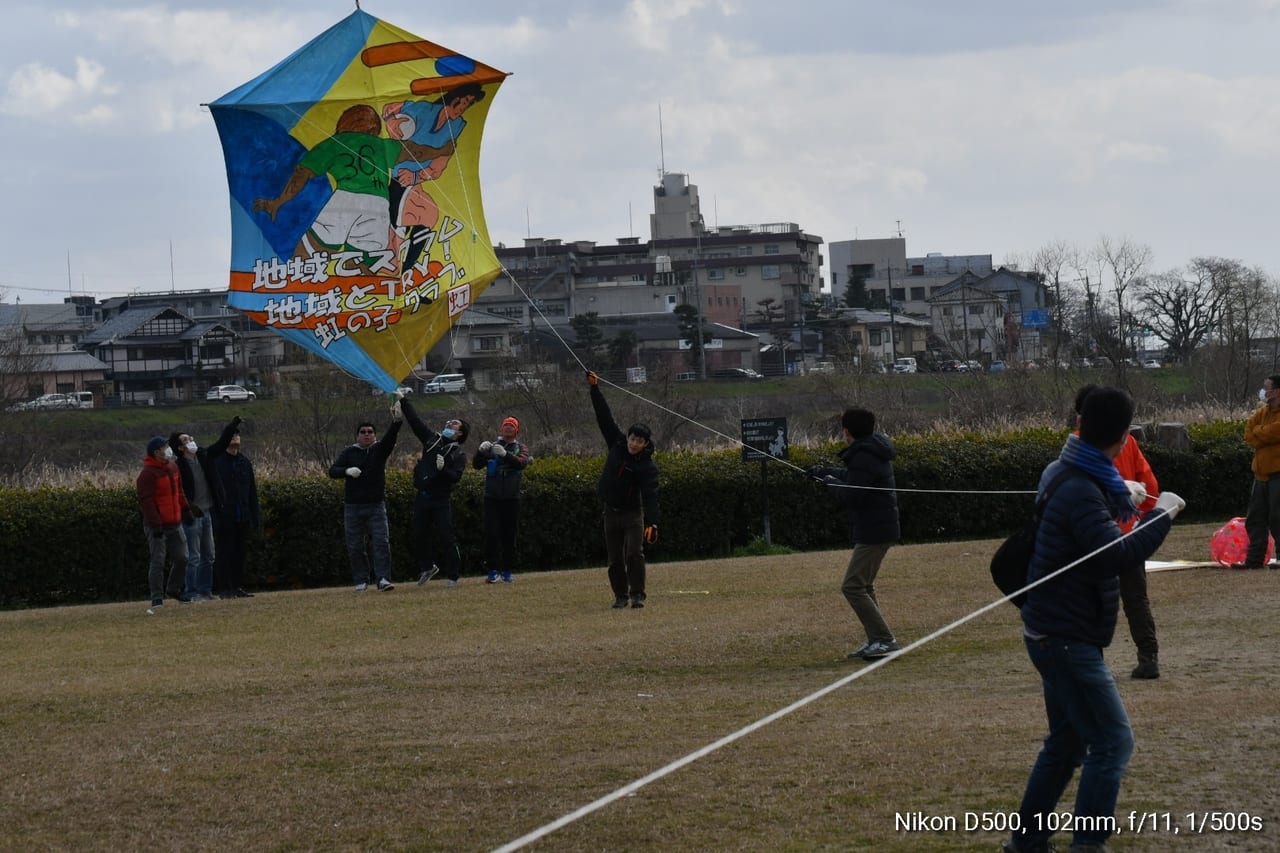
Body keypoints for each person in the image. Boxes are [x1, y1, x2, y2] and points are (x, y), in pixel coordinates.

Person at [1005, 386, 1185, 853]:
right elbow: (1115, 555)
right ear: (1125, 436)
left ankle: (1025, 844)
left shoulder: (1069, 470)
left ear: (1080, 426)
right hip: (1064, 636)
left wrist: (1119, 490)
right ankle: (1087, 846)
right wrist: (1161, 514)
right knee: (1112, 742)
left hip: (1054, 627)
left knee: (1066, 744)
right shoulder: (1083, 485)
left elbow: (1092, 528)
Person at [1073, 385, 1162, 679]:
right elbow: (1150, 488)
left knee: (1089, 601)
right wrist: (1136, 514)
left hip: (1094, 538)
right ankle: (1148, 656)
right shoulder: (1129, 443)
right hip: (1129, 534)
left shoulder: (1075, 448)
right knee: (1136, 599)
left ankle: (1091, 661)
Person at [808, 408, 901, 660]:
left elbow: (852, 495)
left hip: (875, 529)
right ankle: (876, 639)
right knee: (864, 585)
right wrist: (823, 473)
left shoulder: (864, 455)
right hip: (878, 527)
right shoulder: (870, 450)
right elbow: (853, 479)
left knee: (852, 586)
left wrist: (830, 484)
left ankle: (884, 640)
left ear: (847, 431)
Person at [587, 372, 660, 609]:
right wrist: (595, 389)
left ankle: (637, 593)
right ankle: (621, 595)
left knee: (634, 554)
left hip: (632, 514)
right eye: (632, 438)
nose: (633, 443)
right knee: (614, 559)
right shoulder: (617, 444)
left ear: (645, 444)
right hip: (611, 512)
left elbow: (651, 495)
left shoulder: (647, 466)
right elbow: (604, 417)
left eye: (639, 441)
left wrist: (653, 523)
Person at [398, 390, 469, 586]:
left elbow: (456, 477)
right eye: (449, 422)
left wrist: (443, 469)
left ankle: (453, 576)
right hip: (423, 496)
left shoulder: (458, 454)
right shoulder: (432, 440)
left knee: (446, 537)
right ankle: (428, 567)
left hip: (440, 499)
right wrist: (403, 400)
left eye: (454, 424)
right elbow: (415, 421)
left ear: (460, 434)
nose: (449, 423)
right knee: (419, 535)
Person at [168, 416, 242, 602]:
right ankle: (191, 592)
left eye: (191, 438)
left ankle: (205, 591)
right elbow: (177, 492)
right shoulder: (179, 467)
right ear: (179, 448)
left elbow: (220, 444)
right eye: (186, 441)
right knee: (193, 556)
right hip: (193, 515)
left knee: (209, 555)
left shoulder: (204, 456)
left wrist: (231, 426)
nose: (191, 442)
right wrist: (187, 511)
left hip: (207, 512)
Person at [328, 409, 402, 592]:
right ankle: (361, 580)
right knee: (354, 545)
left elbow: (391, 438)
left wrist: (397, 421)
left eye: (370, 432)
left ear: (375, 436)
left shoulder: (379, 451)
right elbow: (333, 471)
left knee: (381, 542)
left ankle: (383, 579)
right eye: (363, 432)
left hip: (376, 505)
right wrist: (346, 471)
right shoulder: (349, 453)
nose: (367, 435)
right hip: (352, 507)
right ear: (357, 435)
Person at [472, 416, 532, 583]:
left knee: (509, 536)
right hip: (492, 497)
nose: (507, 428)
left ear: (516, 430)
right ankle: (492, 571)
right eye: (505, 425)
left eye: (511, 426)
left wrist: (506, 455)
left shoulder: (521, 447)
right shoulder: (492, 447)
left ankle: (507, 570)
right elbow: (476, 465)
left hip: (511, 498)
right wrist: (480, 451)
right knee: (491, 534)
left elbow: (521, 463)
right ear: (500, 429)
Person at [137, 436, 190, 608]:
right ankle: (157, 597)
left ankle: (173, 588)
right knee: (158, 560)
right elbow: (147, 502)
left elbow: (179, 492)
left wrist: (186, 509)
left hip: (175, 522)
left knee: (182, 557)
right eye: (164, 446)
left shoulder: (173, 467)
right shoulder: (147, 474)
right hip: (157, 526)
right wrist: (155, 525)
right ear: (156, 452)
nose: (168, 449)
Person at [210, 425, 261, 600]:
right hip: (225, 515)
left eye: (238, 434)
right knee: (225, 552)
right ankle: (225, 588)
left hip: (242, 514)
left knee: (240, 552)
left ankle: (237, 585)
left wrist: (255, 516)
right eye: (232, 435)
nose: (235, 437)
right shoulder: (216, 462)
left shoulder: (244, 462)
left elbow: (251, 491)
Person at [1237, 373, 1280, 569]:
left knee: (1277, 517)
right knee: (1255, 517)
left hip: (1277, 473)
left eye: (1267, 387)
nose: (1264, 391)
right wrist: (1262, 434)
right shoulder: (1262, 412)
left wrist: (1260, 433)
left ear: (1277, 391)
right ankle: (1254, 559)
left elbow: (1274, 432)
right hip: (1260, 474)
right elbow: (1249, 433)